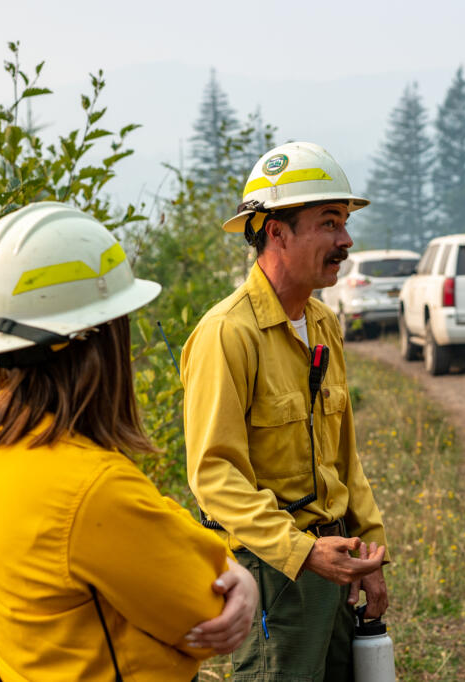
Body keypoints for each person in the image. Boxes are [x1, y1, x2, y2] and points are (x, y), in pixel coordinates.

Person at [0, 202, 258, 681]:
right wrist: (244, 579)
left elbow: (141, 523)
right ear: (100, 341)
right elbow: (208, 608)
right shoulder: (94, 489)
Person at [181, 142, 390, 680]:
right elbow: (215, 476)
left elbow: (346, 458)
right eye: (328, 223)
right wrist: (301, 552)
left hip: (337, 562)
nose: (345, 240)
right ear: (276, 232)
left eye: (344, 223)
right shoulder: (227, 334)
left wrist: (374, 552)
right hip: (274, 573)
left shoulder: (323, 324)